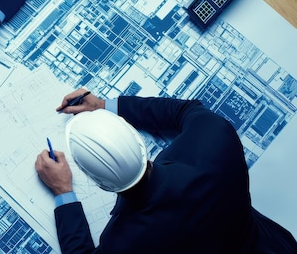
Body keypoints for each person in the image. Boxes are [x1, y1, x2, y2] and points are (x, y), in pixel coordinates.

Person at [35, 88, 297, 253]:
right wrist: (107, 106)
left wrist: (62, 191)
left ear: (101, 184)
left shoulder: (123, 243)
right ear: (138, 141)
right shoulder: (218, 144)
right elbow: (186, 110)